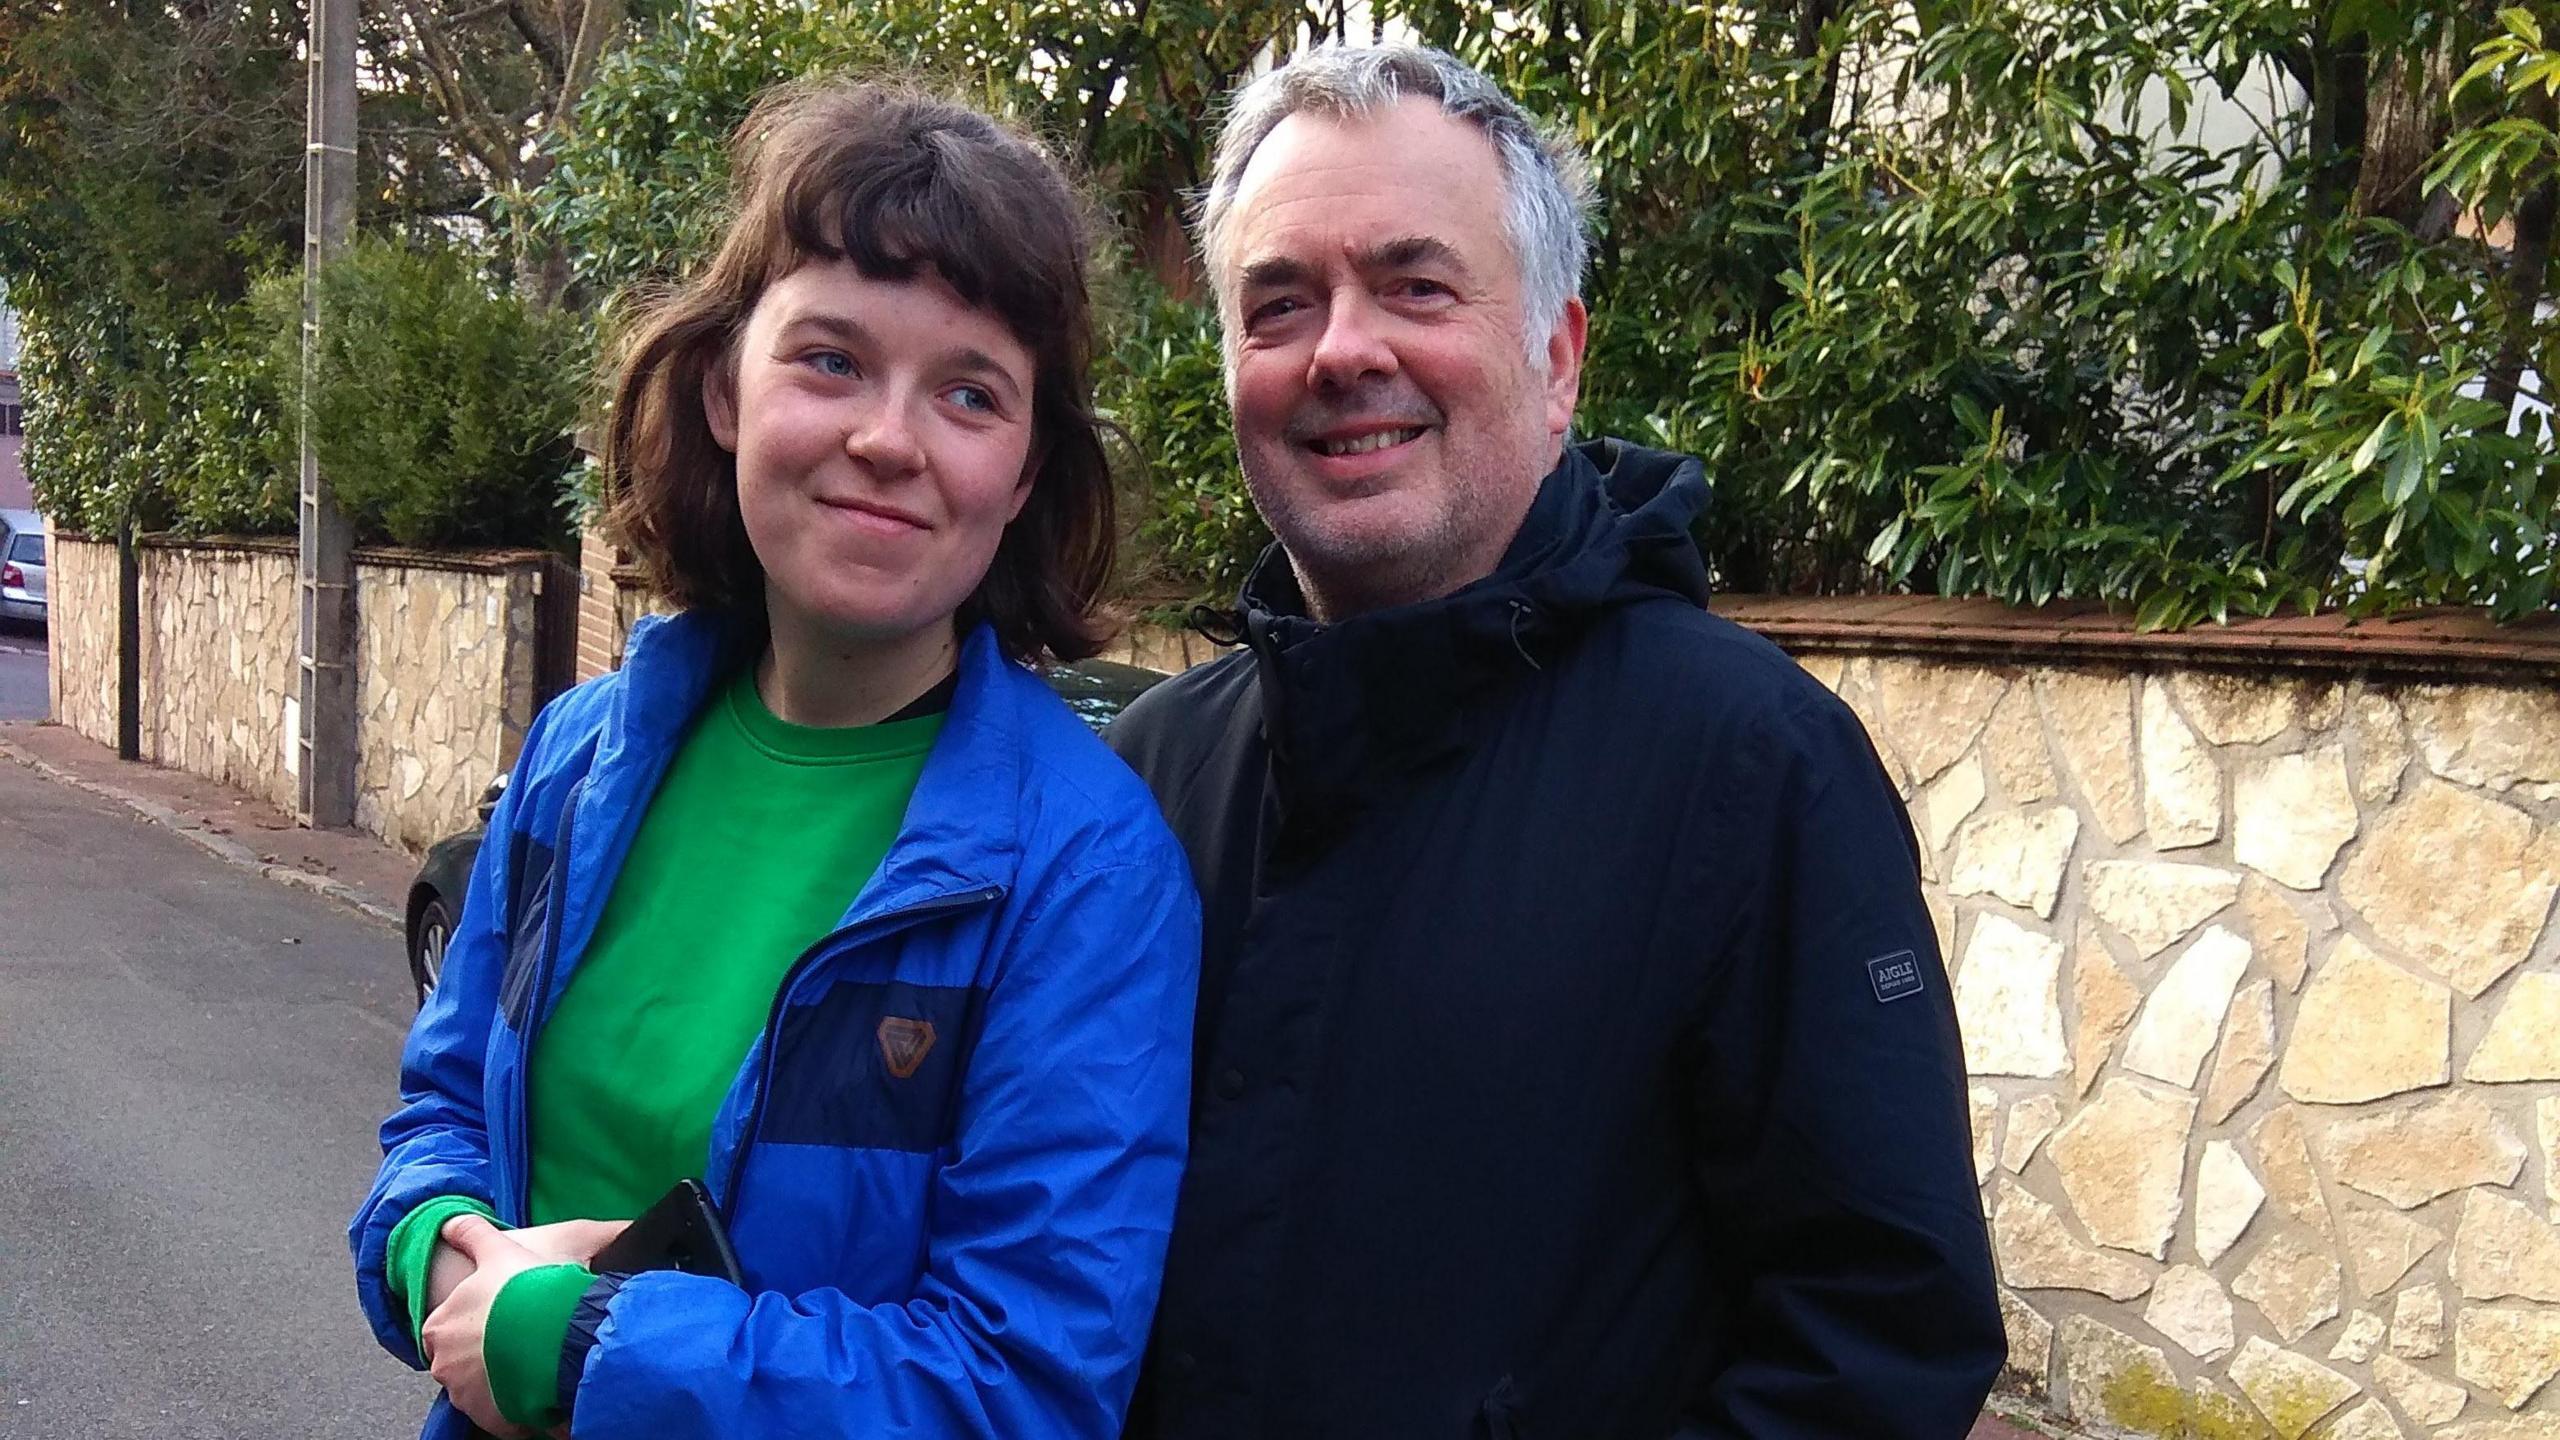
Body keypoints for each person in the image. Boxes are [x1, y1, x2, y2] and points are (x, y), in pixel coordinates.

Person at [1104, 43, 2003, 1439]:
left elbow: (1875, 1344)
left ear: (1559, 359)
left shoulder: (1753, 771)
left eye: (1416, 285)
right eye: (1280, 304)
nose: (1344, 349)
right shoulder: (1143, 785)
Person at [349, 80, 1199, 1440]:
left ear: (1028, 472)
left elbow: (1022, 1384)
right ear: (723, 389)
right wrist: (438, 1256)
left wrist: (579, 1348)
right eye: (832, 360)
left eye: (969, 393)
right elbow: (444, 1113)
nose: (888, 437)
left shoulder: (1087, 869)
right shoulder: (580, 759)